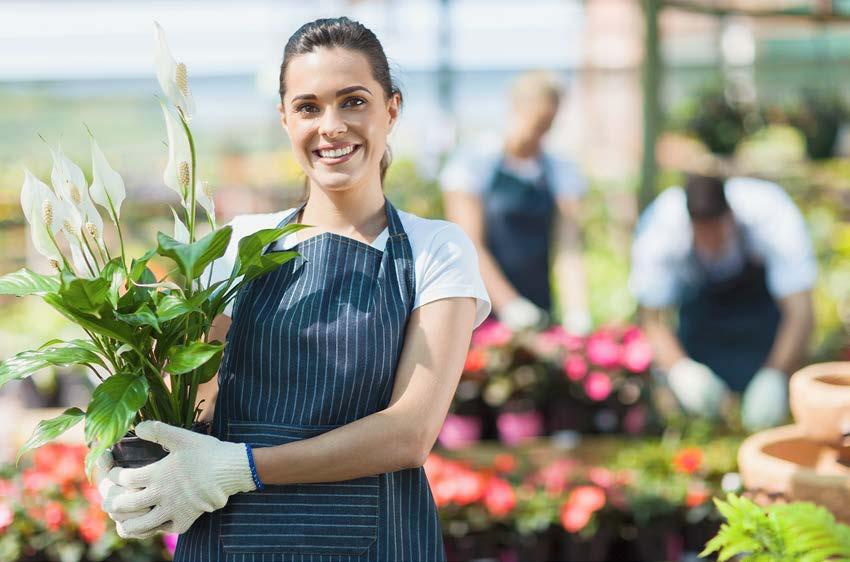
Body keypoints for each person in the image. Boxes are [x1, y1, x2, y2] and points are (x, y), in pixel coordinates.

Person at [95, 17, 490, 561]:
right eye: (308, 107)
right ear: (285, 118)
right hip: (233, 541)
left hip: (378, 540)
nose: (331, 126)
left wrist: (243, 468)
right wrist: (125, 451)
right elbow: (197, 401)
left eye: (353, 101)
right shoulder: (237, 244)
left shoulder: (435, 250)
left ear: (391, 109)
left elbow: (409, 432)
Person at [630, 173, 816, 431]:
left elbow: (800, 312)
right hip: (701, 328)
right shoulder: (660, 228)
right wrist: (680, 369)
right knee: (700, 420)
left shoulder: (772, 214)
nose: (711, 242)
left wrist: (775, 374)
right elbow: (652, 318)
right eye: (702, 233)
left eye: (716, 230)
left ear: (729, 216)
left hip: (762, 327)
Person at [440, 71, 590, 334]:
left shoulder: (560, 170)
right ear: (516, 108)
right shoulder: (473, 163)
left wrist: (577, 309)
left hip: (538, 304)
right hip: (482, 311)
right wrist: (509, 305)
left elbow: (568, 245)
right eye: (537, 123)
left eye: (548, 126)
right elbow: (468, 244)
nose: (539, 135)